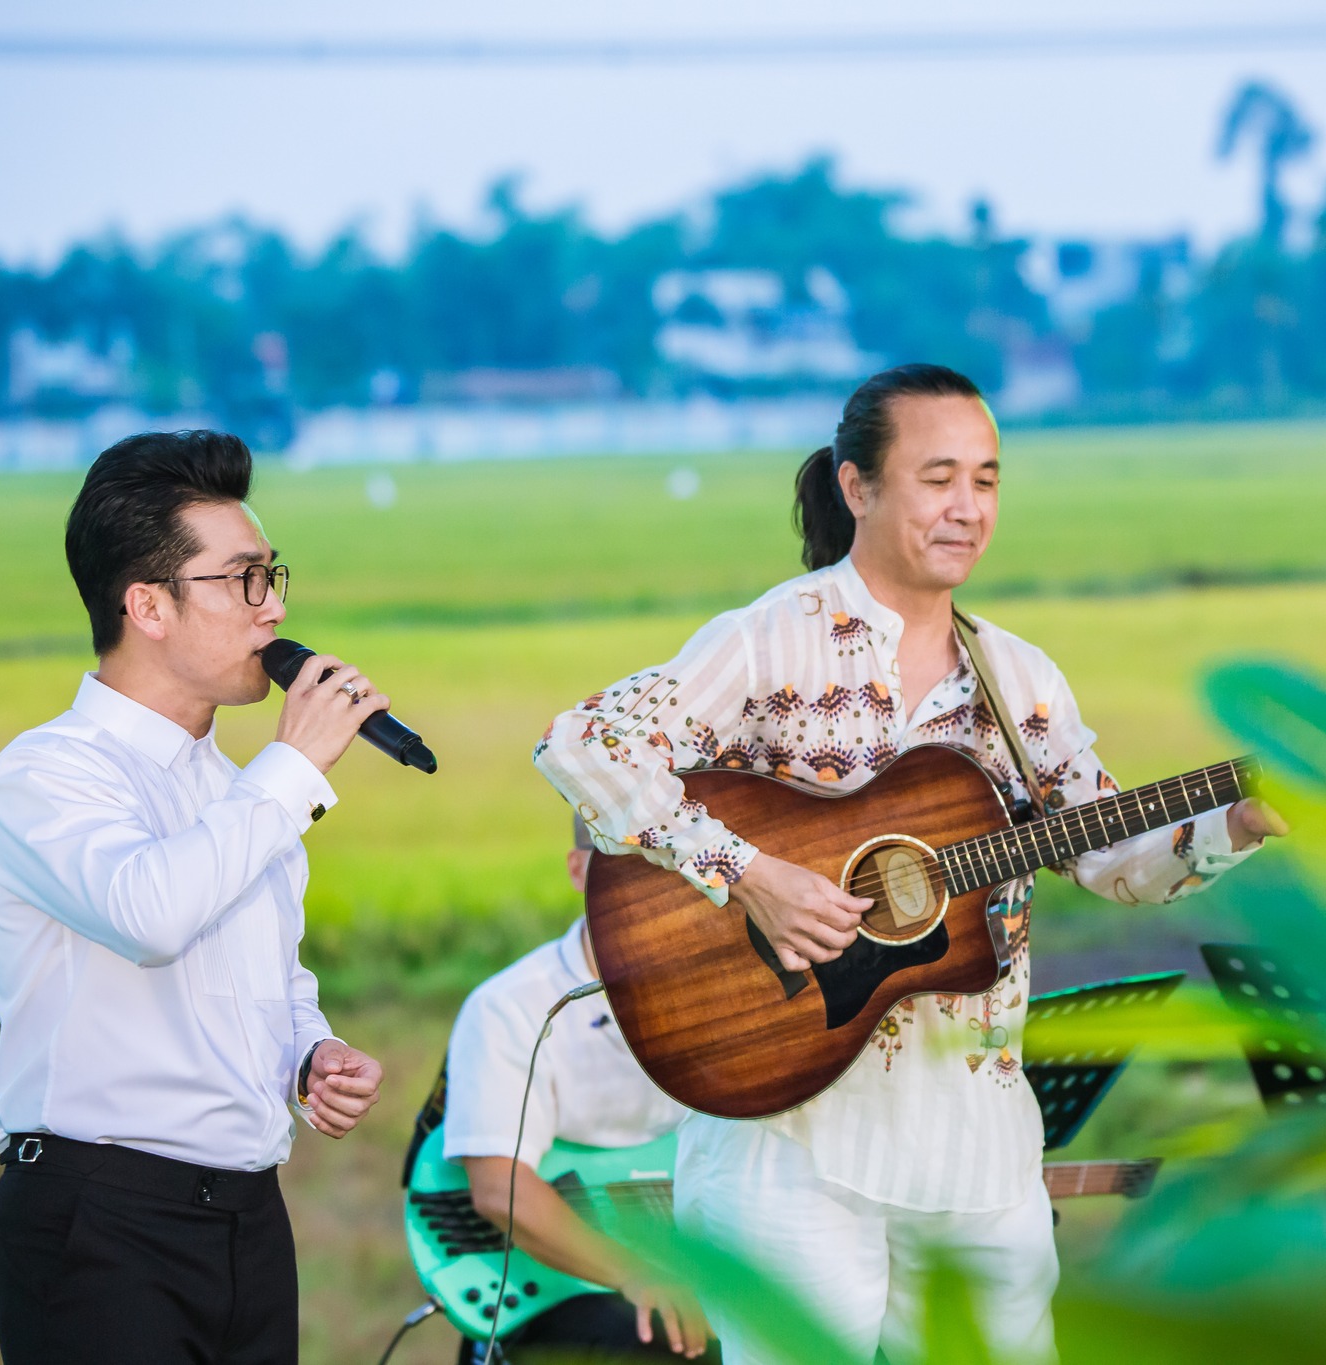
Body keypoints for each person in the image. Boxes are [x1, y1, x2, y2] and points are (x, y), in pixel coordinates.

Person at [533, 364, 1286, 1365]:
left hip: (976, 1146)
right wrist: (748, 873)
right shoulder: (769, 643)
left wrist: (1234, 821)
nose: (967, 509)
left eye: (985, 480)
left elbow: (1111, 855)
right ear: (857, 487)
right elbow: (584, 744)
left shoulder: (1017, 678)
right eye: (938, 478)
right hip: (788, 1135)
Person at [0, 429, 388, 1365]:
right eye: (243, 579)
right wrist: (293, 764)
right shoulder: (45, 773)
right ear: (147, 605)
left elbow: (262, 969)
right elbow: (151, 915)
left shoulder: (235, 787)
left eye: (273, 574)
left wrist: (309, 1048)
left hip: (246, 1215)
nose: (274, 605)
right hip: (102, 1223)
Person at [430, 815, 710, 1363]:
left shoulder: (721, 991)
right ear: (579, 870)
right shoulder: (508, 1005)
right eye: (627, 870)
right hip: (560, 1288)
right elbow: (498, 1191)